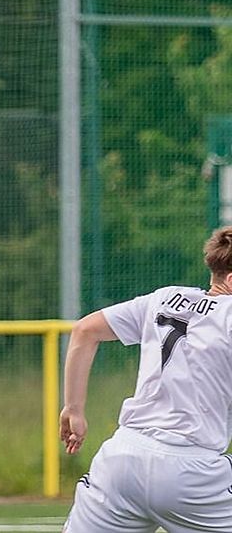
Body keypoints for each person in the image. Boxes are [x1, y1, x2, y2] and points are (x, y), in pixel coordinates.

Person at [61, 226, 232, 532]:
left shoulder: (164, 298)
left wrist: (73, 409)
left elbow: (84, 331)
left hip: (122, 461)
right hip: (193, 475)